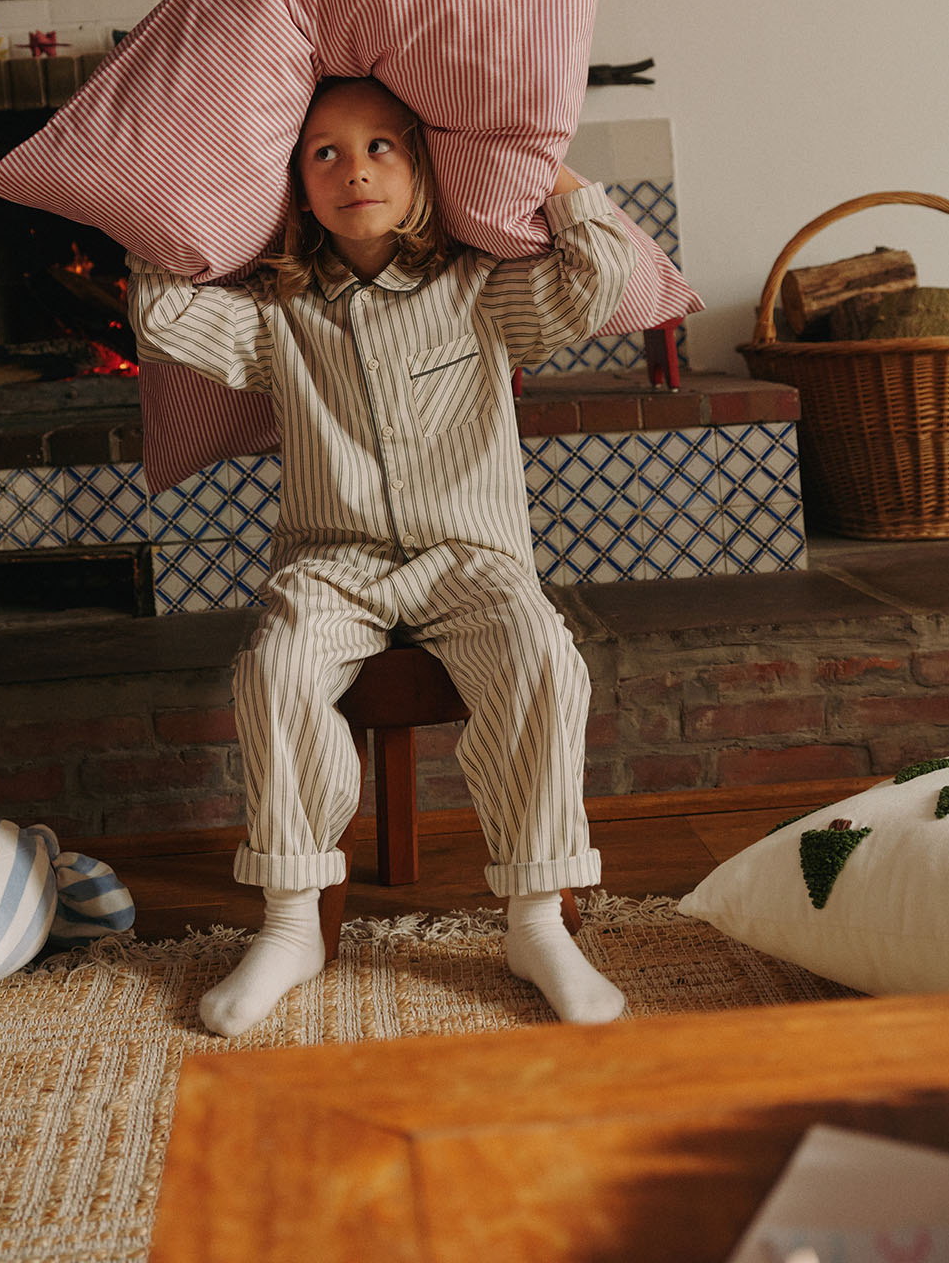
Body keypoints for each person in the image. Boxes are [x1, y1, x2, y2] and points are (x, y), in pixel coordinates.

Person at [126, 76, 636, 1036]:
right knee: (276, 669)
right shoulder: (279, 313)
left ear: (424, 169)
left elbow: (596, 280)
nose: (353, 170)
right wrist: (196, 182)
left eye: (380, 147)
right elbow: (164, 318)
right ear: (295, 184)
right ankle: (291, 924)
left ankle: (535, 921)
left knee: (541, 657)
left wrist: (527, 152)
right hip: (335, 563)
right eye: (323, 152)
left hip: (469, 557)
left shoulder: (478, 288)